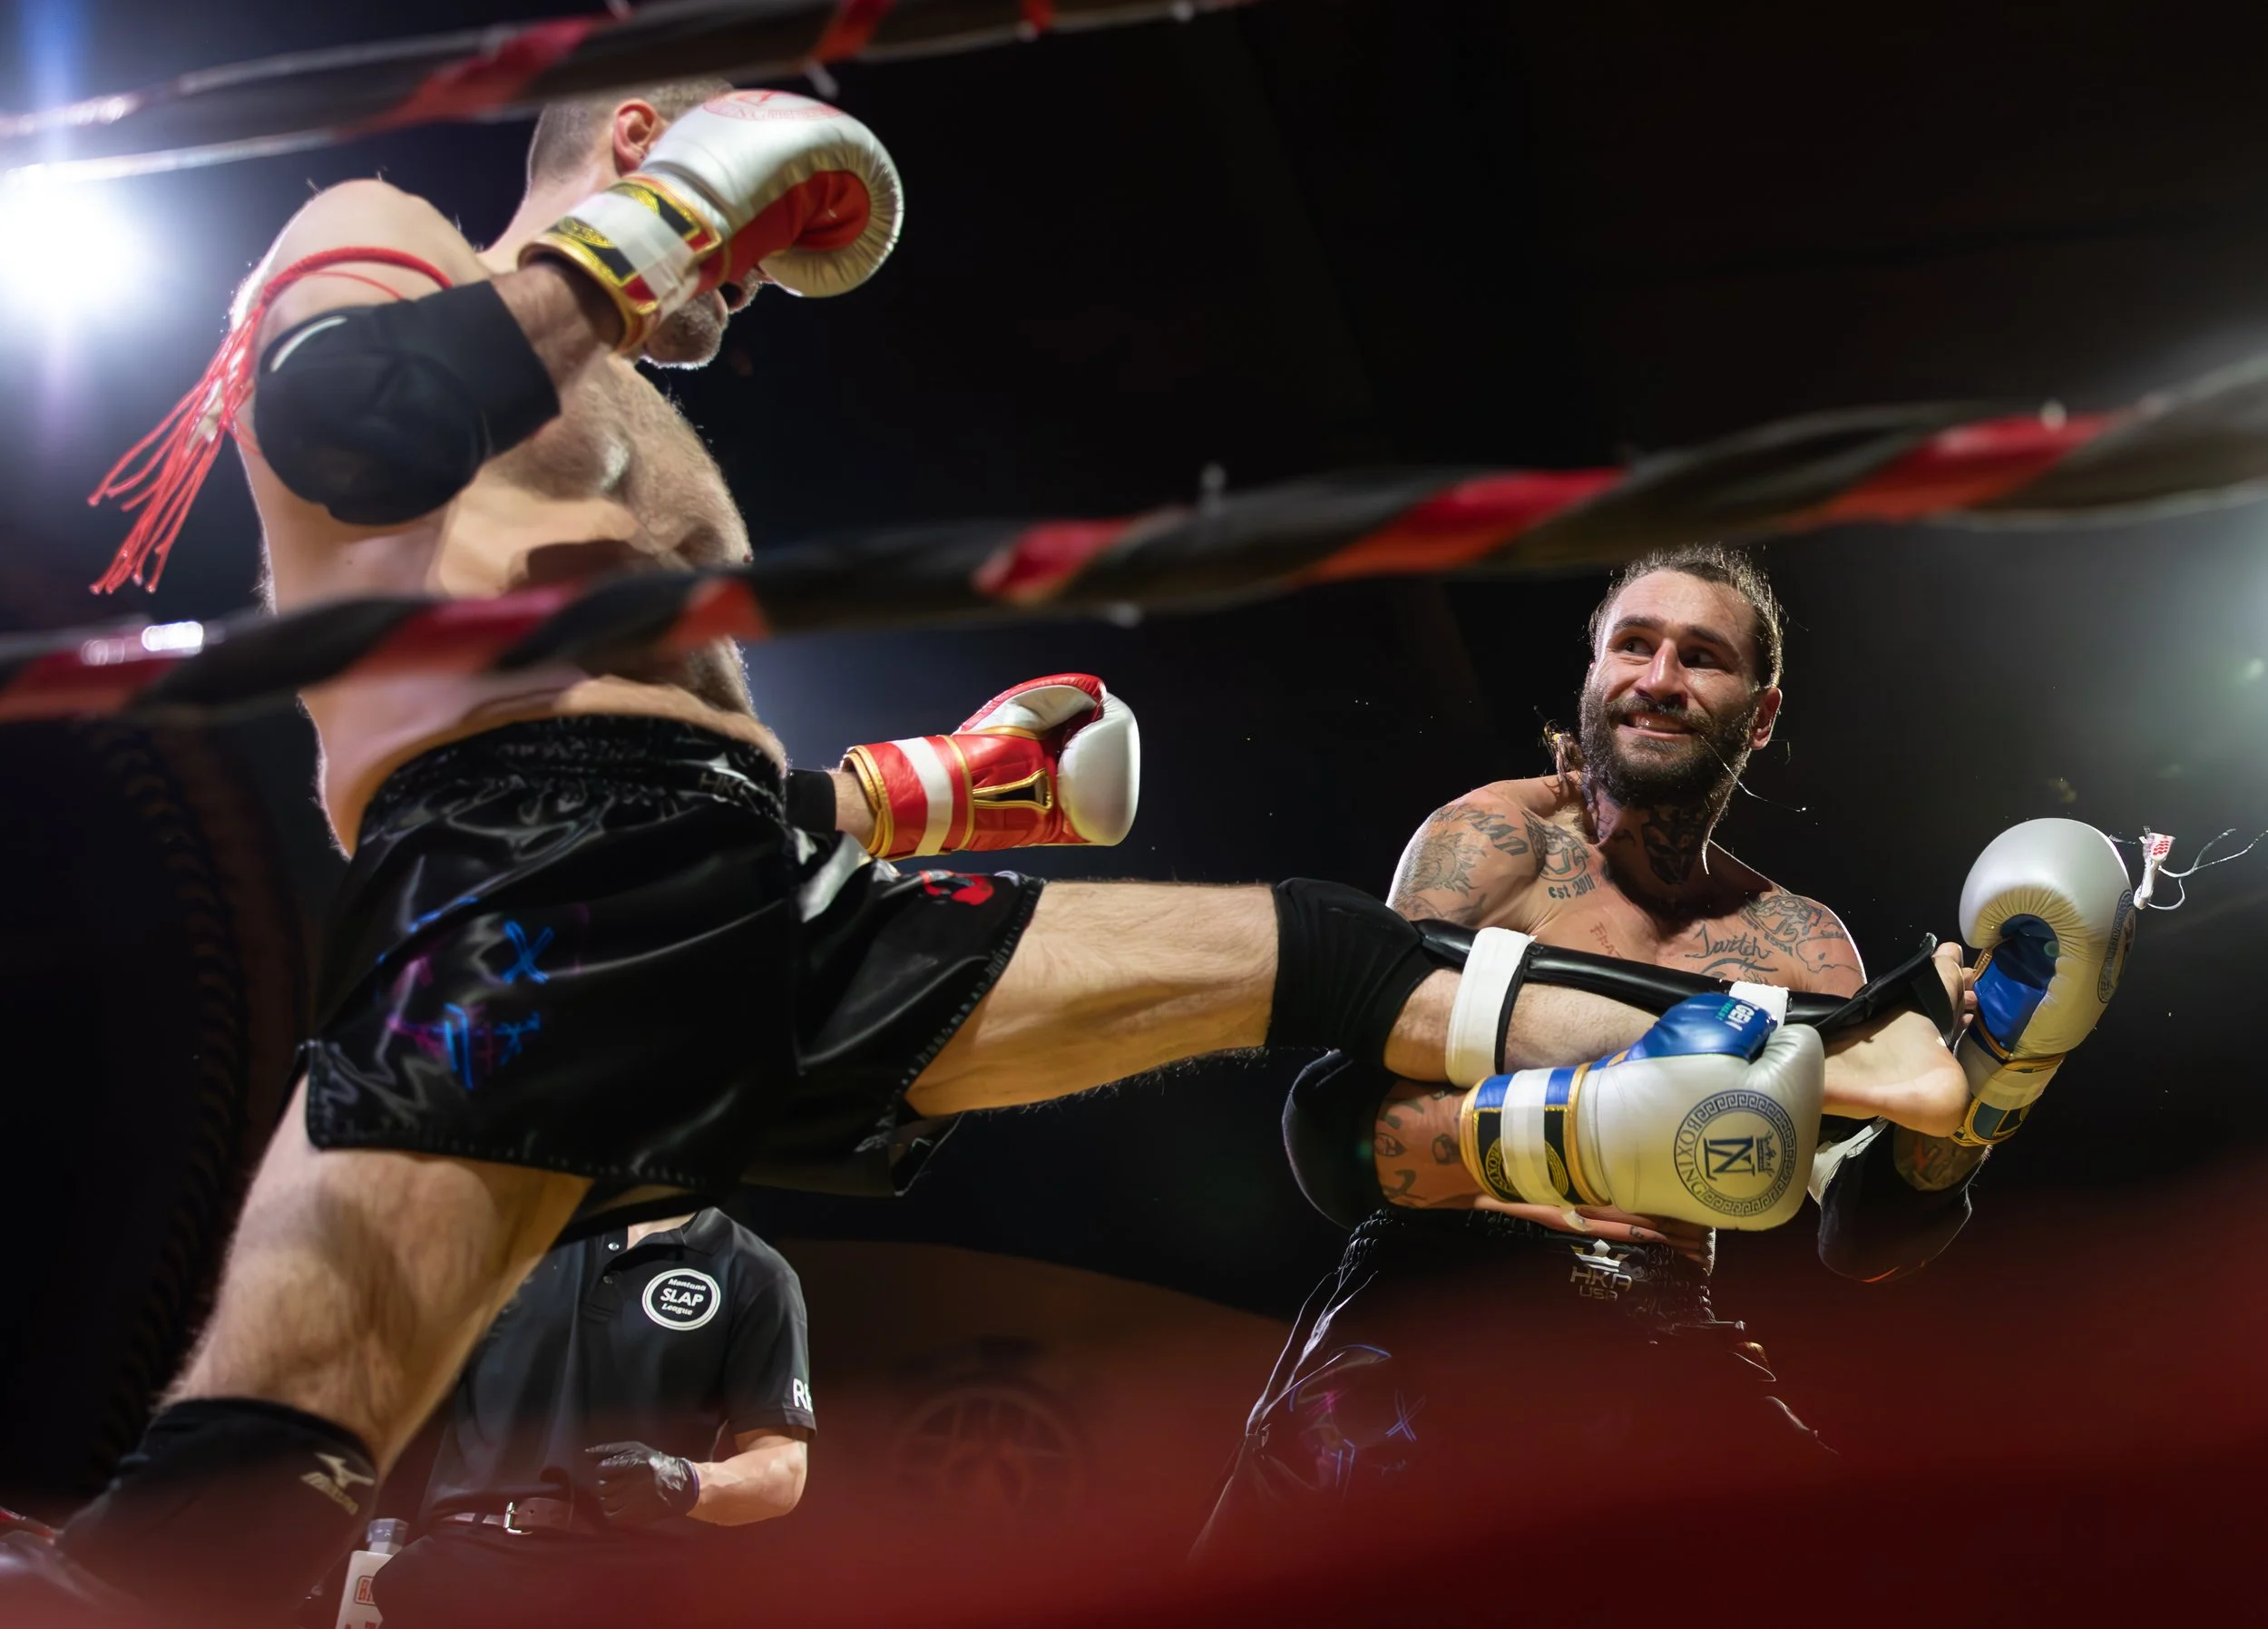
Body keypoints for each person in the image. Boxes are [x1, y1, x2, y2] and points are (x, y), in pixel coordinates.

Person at [4, 83, 1972, 1626]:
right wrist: (658, 225)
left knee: (1311, 949)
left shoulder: (639, 427)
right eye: (744, 245)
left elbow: (691, 754)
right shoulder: (401, 241)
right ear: (638, 143)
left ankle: (1874, 1049)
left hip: (745, 900)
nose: (744, 293)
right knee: (235, 1510)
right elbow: (344, 429)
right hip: (522, 888)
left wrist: (928, 789)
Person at [1196, 544, 2121, 1550]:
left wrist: (1998, 1070)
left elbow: (1863, 1231)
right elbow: (1341, 1121)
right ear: (1594, 673)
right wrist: (1595, 1130)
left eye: (1700, 655)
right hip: (1436, 1301)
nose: (1658, 678)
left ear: (1760, 712)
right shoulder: (1496, 840)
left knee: (1863, 1563)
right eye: (1632, 645)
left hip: (1663, 1321)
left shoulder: (1798, 941)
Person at [370, 1208, 811, 1629]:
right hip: (456, 1572)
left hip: (628, 1588)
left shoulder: (754, 1272)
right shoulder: (510, 1232)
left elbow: (783, 1471)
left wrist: (685, 1481)